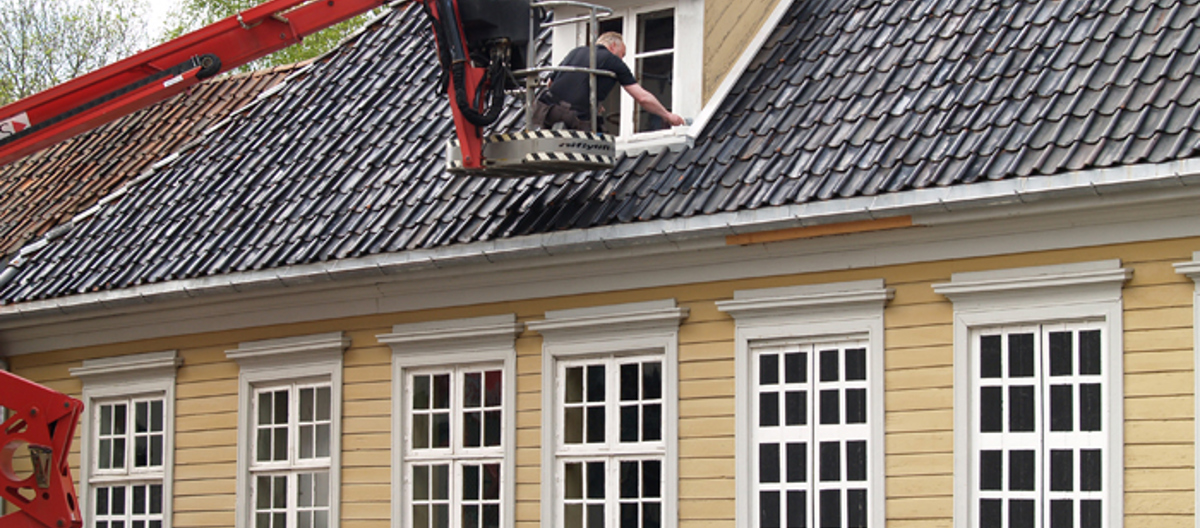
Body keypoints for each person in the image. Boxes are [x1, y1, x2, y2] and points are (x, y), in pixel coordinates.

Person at [532, 32, 685, 132]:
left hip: (545, 110)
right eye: (622, 54)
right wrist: (667, 115)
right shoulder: (614, 61)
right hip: (576, 117)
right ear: (613, 46)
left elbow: (551, 84)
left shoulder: (576, 52)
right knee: (601, 138)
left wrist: (590, 100)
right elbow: (642, 97)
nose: (622, 58)